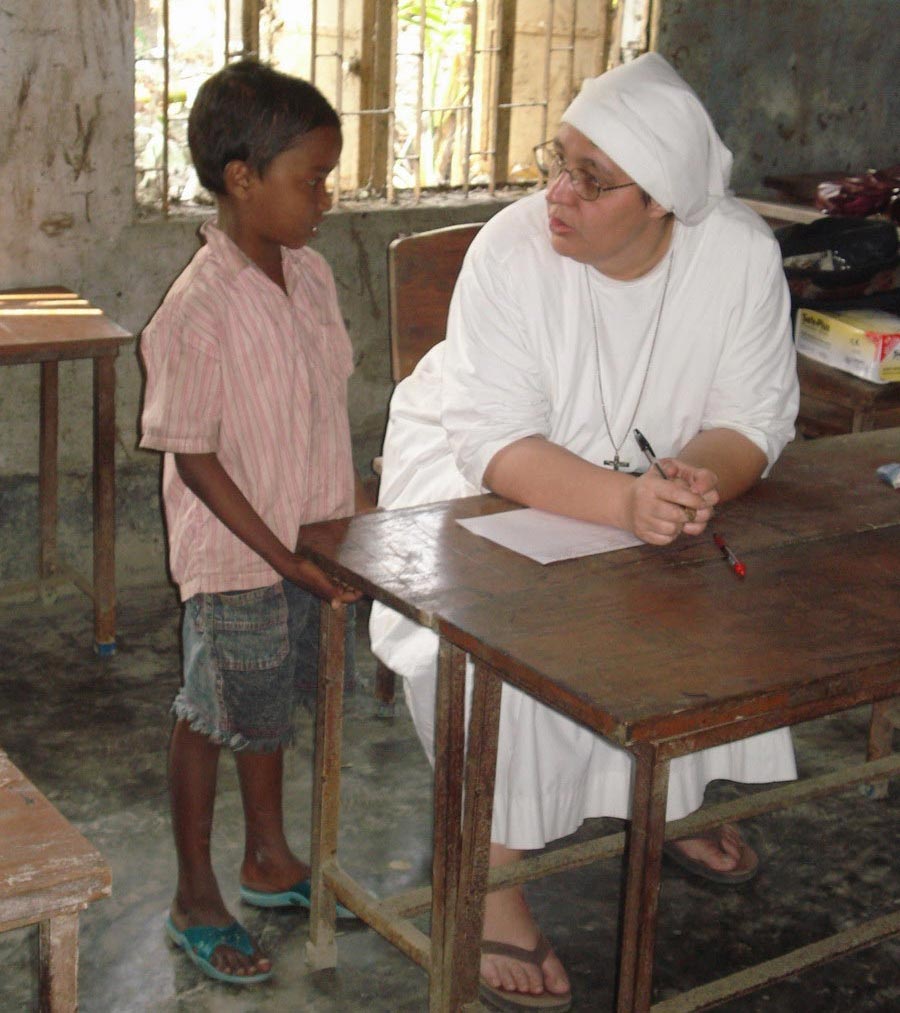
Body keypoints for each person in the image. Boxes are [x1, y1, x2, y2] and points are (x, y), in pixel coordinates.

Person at [369, 53, 799, 1012]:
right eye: (555, 162)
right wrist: (622, 503)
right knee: (507, 634)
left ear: (663, 204)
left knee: (709, 589)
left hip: (648, 480)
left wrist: (696, 479)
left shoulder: (735, 254)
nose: (558, 194)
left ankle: (667, 796)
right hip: (480, 473)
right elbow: (490, 442)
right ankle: (494, 870)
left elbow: (755, 415)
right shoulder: (514, 251)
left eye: (592, 180)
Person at [139, 60, 369, 985]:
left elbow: (320, 411)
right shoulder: (195, 309)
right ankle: (197, 893)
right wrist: (281, 555)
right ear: (243, 179)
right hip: (236, 557)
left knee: (269, 702)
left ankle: (269, 859)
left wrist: (341, 530)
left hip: (306, 543)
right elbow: (194, 457)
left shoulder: (309, 278)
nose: (325, 198)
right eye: (311, 179)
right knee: (211, 710)